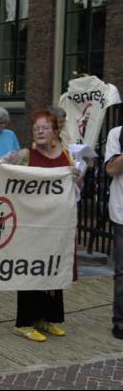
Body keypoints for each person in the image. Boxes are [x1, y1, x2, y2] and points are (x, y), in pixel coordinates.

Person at [2, 110, 78, 342]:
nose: (40, 132)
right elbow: (2, 170)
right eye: (36, 128)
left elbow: (73, 188)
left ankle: (46, 319)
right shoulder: (26, 155)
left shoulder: (65, 155)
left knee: (53, 268)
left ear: (55, 130)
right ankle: (24, 322)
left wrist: (76, 175)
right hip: (32, 225)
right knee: (31, 270)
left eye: (45, 127)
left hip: (56, 226)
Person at [105, 125, 123, 339]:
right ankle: (120, 319)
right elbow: (111, 169)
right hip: (121, 211)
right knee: (122, 270)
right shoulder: (117, 134)